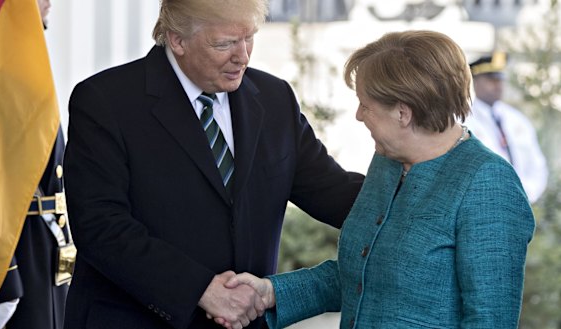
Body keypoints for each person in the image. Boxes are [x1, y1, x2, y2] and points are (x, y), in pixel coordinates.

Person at [62, 0, 364, 328]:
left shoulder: (275, 98)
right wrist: (200, 289)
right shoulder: (105, 100)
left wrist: (418, 190)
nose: (243, 55)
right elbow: (100, 226)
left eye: (249, 37)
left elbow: (332, 191)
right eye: (225, 43)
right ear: (177, 40)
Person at [224, 30, 536, 328]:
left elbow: (490, 321)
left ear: (403, 112)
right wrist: (270, 292)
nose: (359, 115)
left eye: (366, 104)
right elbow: (363, 274)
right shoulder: (388, 162)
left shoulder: (488, 183)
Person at [0, 0, 72, 328]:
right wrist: (2, 277)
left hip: (44, 245)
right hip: (14, 251)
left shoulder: (25, 73)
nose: (49, 3)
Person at [465, 52, 548, 203]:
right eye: (491, 79)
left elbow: (537, 166)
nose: (498, 85)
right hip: (484, 204)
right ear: (476, 81)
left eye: (500, 79)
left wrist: (524, 196)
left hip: (521, 203)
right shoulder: (464, 120)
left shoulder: (518, 120)